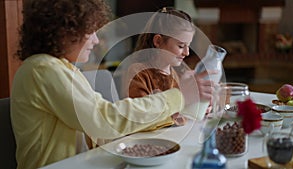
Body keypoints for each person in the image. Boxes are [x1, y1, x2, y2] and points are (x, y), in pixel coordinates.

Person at [10, 1, 213, 169]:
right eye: (91, 32)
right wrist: (179, 96)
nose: (97, 41)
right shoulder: (42, 69)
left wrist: (173, 111)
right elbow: (103, 120)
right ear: (63, 31)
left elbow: (100, 132)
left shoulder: (64, 69)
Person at [124, 7, 215, 130]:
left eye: (188, 46)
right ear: (158, 41)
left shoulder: (174, 74)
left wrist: (197, 109)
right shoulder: (138, 72)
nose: (187, 52)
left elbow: (178, 112)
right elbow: (141, 119)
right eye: (181, 46)